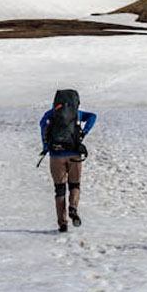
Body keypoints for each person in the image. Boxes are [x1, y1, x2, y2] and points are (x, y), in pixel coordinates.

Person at [40, 89, 97, 232]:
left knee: (59, 190)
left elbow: (43, 126)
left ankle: (62, 223)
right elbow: (93, 116)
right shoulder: (77, 113)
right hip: (74, 154)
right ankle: (73, 208)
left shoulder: (51, 114)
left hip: (56, 155)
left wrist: (46, 146)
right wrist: (84, 132)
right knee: (74, 185)